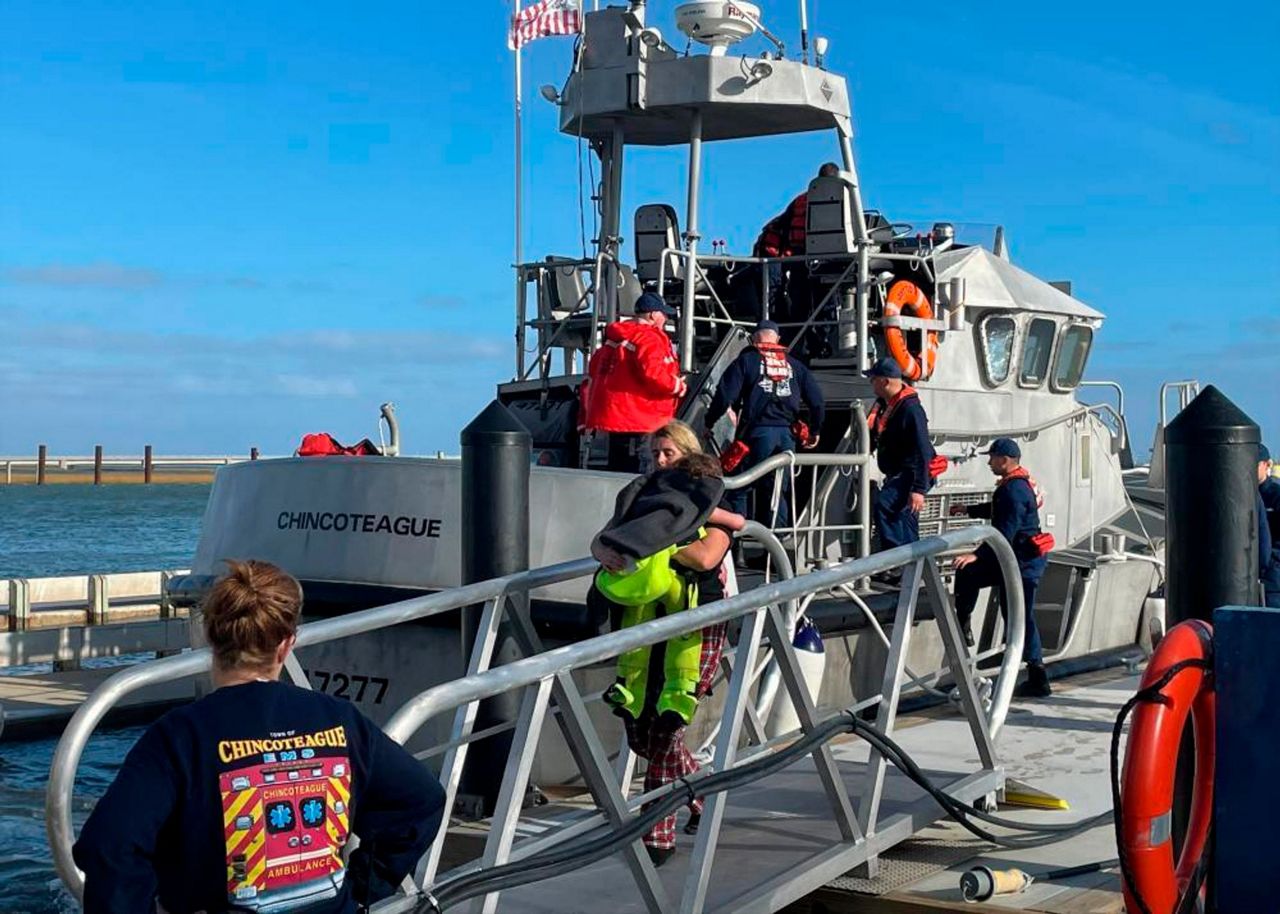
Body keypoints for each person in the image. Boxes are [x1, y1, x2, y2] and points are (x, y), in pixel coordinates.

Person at [73, 560, 446, 914]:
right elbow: (421, 799)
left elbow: (110, 845)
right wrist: (362, 887)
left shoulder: (181, 736)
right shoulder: (339, 721)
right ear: (286, 643)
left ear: (210, 635)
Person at [590, 422, 744, 866]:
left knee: (665, 729)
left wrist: (653, 545)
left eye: (668, 453)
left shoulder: (709, 501)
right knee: (641, 732)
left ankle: (656, 836)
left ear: (688, 455)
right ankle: (702, 792)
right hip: (648, 622)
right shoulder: (644, 502)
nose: (659, 461)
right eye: (655, 453)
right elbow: (605, 539)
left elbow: (707, 556)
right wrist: (606, 550)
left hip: (698, 626)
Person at [949, 438, 1052, 698]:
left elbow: (1005, 531)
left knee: (1019, 616)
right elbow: (999, 511)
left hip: (1021, 564)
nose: (989, 462)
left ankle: (1038, 676)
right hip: (1013, 559)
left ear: (1004, 460)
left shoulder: (1013, 490)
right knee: (970, 575)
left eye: (992, 457)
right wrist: (968, 510)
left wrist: (976, 555)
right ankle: (964, 622)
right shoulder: (1015, 485)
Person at [706, 320, 825, 528]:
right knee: (777, 490)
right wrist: (815, 430)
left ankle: (736, 538)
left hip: (756, 434)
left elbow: (725, 396)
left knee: (738, 487)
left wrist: (709, 422)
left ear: (754, 338)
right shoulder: (796, 365)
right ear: (777, 339)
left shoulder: (746, 361)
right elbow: (817, 402)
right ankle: (777, 541)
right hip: (787, 437)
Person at [579, 291, 688, 472]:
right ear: (653, 315)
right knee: (644, 470)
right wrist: (678, 386)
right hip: (642, 418)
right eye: (663, 315)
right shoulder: (649, 337)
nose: (665, 319)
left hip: (614, 419)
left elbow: (593, 373)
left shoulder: (614, 339)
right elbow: (653, 374)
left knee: (619, 470)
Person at [733, 162, 841, 328]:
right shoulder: (813, 201)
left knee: (801, 295)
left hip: (799, 254)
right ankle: (786, 329)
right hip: (779, 252)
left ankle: (798, 331)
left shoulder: (803, 199)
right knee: (782, 293)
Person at [866, 357, 936, 554]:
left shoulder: (910, 410)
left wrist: (919, 489)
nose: (871, 383)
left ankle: (896, 558)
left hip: (911, 473)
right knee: (906, 518)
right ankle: (914, 562)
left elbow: (922, 449)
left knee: (885, 505)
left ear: (885, 381)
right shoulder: (886, 405)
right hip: (899, 472)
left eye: (873, 379)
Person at [1259, 444, 1280, 608]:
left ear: (1266, 465)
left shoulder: (1276, 495)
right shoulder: (1245, 496)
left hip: (1273, 579)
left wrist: (1271, 561)